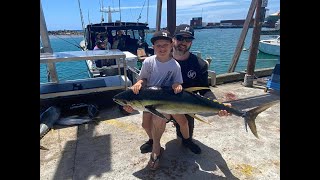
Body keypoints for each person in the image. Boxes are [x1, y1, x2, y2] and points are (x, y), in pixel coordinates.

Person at [126, 24, 231, 155]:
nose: (184, 42)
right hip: (159, 101)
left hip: (184, 103)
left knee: (185, 130)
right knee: (154, 121)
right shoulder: (159, 58)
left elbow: (204, 89)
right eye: (180, 38)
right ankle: (154, 142)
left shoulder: (199, 64)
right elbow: (145, 79)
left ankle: (186, 141)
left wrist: (218, 104)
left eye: (188, 40)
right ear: (173, 40)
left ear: (191, 42)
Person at [124, 30, 191, 170]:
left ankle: (160, 149)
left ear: (171, 45)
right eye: (158, 45)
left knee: (169, 121)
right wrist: (138, 83)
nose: (162, 48)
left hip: (167, 101)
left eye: (165, 45)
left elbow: (178, 82)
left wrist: (177, 85)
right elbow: (143, 78)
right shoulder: (148, 61)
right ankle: (153, 139)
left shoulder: (175, 65)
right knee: (145, 125)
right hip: (149, 99)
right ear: (153, 47)